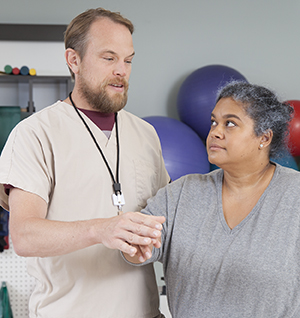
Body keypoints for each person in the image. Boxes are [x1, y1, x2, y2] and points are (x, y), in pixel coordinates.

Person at [0, 8, 170, 318]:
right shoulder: (34, 134)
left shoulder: (146, 134)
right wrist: (102, 229)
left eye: (128, 60)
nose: (122, 70)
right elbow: (24, 235)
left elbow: (166, 223)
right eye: (109, 58)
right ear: (73, 60)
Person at [124, 81, 300, 317]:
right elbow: (136, 248)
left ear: (264, 138)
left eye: (230, 123)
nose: (215, 132)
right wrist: (133, 245)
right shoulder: (181, 193)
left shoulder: (294, 196)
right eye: (214, 122)